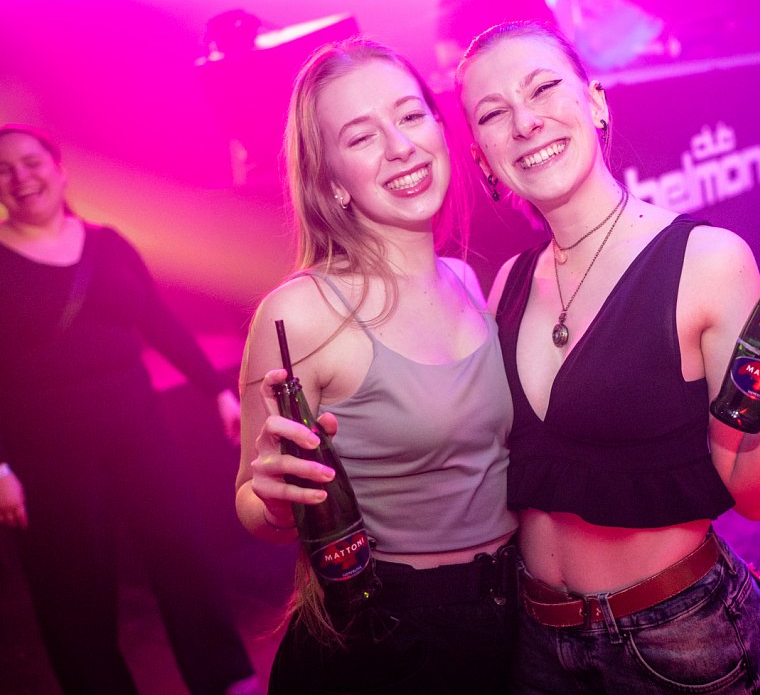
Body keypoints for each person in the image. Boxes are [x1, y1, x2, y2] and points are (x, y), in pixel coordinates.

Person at [454, 20, 760, 694]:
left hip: (678, 646)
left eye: (543, 87)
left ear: (596, 101)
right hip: (536, 645)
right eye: (493, 113)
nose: (525, 122)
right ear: (481, 157)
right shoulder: (507, 285)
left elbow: (752, 488)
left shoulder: (705, 261)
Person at [234, 36, 518, 694]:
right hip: (387, 639)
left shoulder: (465, 280)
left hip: (509, 618)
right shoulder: (301, 313)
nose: (400, 146)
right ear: (331, 181)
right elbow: (250, 499)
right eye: (361, 137)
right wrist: (275, 500)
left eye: (411, 115)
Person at [0, 124, 258, 695]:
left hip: (139, 434)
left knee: (184, 557)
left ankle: (227, 678)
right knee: (74, 594)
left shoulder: (108, 245)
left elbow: (159, 322)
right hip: (47, 456)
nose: (21, 177)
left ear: (59, 169)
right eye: (3, 169)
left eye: (31, 162)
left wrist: (216, 389)